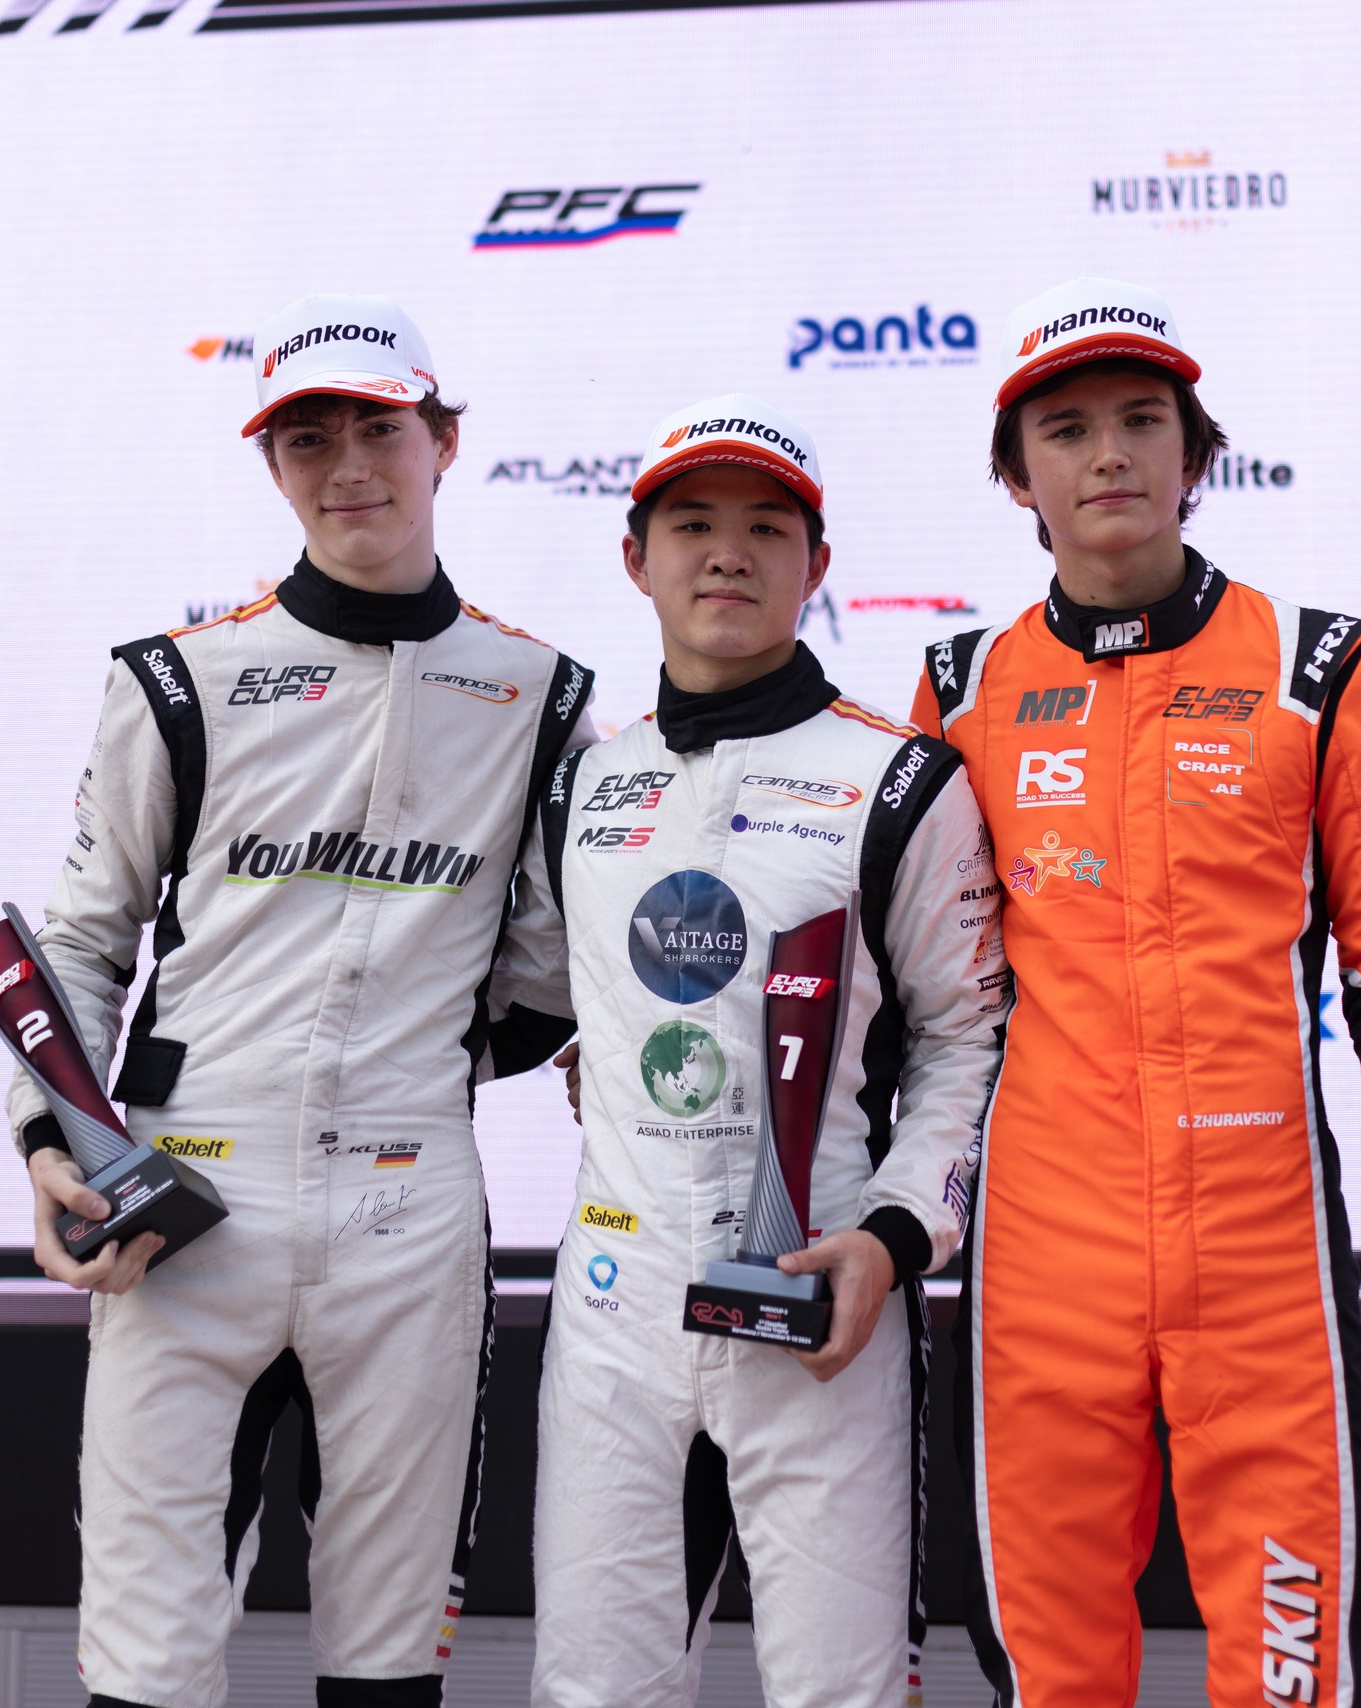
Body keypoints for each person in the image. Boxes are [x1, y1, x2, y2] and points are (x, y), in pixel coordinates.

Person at [910, 278, 1361, 1708]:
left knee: (1298, 1674)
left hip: (1259, 1239)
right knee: (1048, 1674)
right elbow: (922, 991)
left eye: (1143, 421)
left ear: (1195, 453)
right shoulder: (960, 690)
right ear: (1016, 476)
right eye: (1068, 430)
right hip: (1040, 1249)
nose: (1109, 454)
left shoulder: (1323, 666)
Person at [9, 293, 594, 1708]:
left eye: (379, 430)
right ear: (272, 464)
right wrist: (52, 1137)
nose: (348, 468)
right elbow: (81, 940)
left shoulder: (542, 693)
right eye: (307, 439)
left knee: (389, 1660)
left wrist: (440, 1059)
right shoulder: (179, 679)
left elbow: (551, 966)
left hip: (410, 1207)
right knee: (147, 1661)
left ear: (444, 440)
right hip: (183, 1200)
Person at [491, 394, 1005, 1707]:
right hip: (617, 1302)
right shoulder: (583, 782)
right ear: (635, 557)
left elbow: (969, 1042)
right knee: (592, 1691)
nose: (729, 553)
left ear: (817, 564)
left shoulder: (905, 779)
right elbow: (535, 994)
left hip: (824, 1295)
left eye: (768, 528)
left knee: (840, 1694)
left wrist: (894, 1240)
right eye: (693, 525)